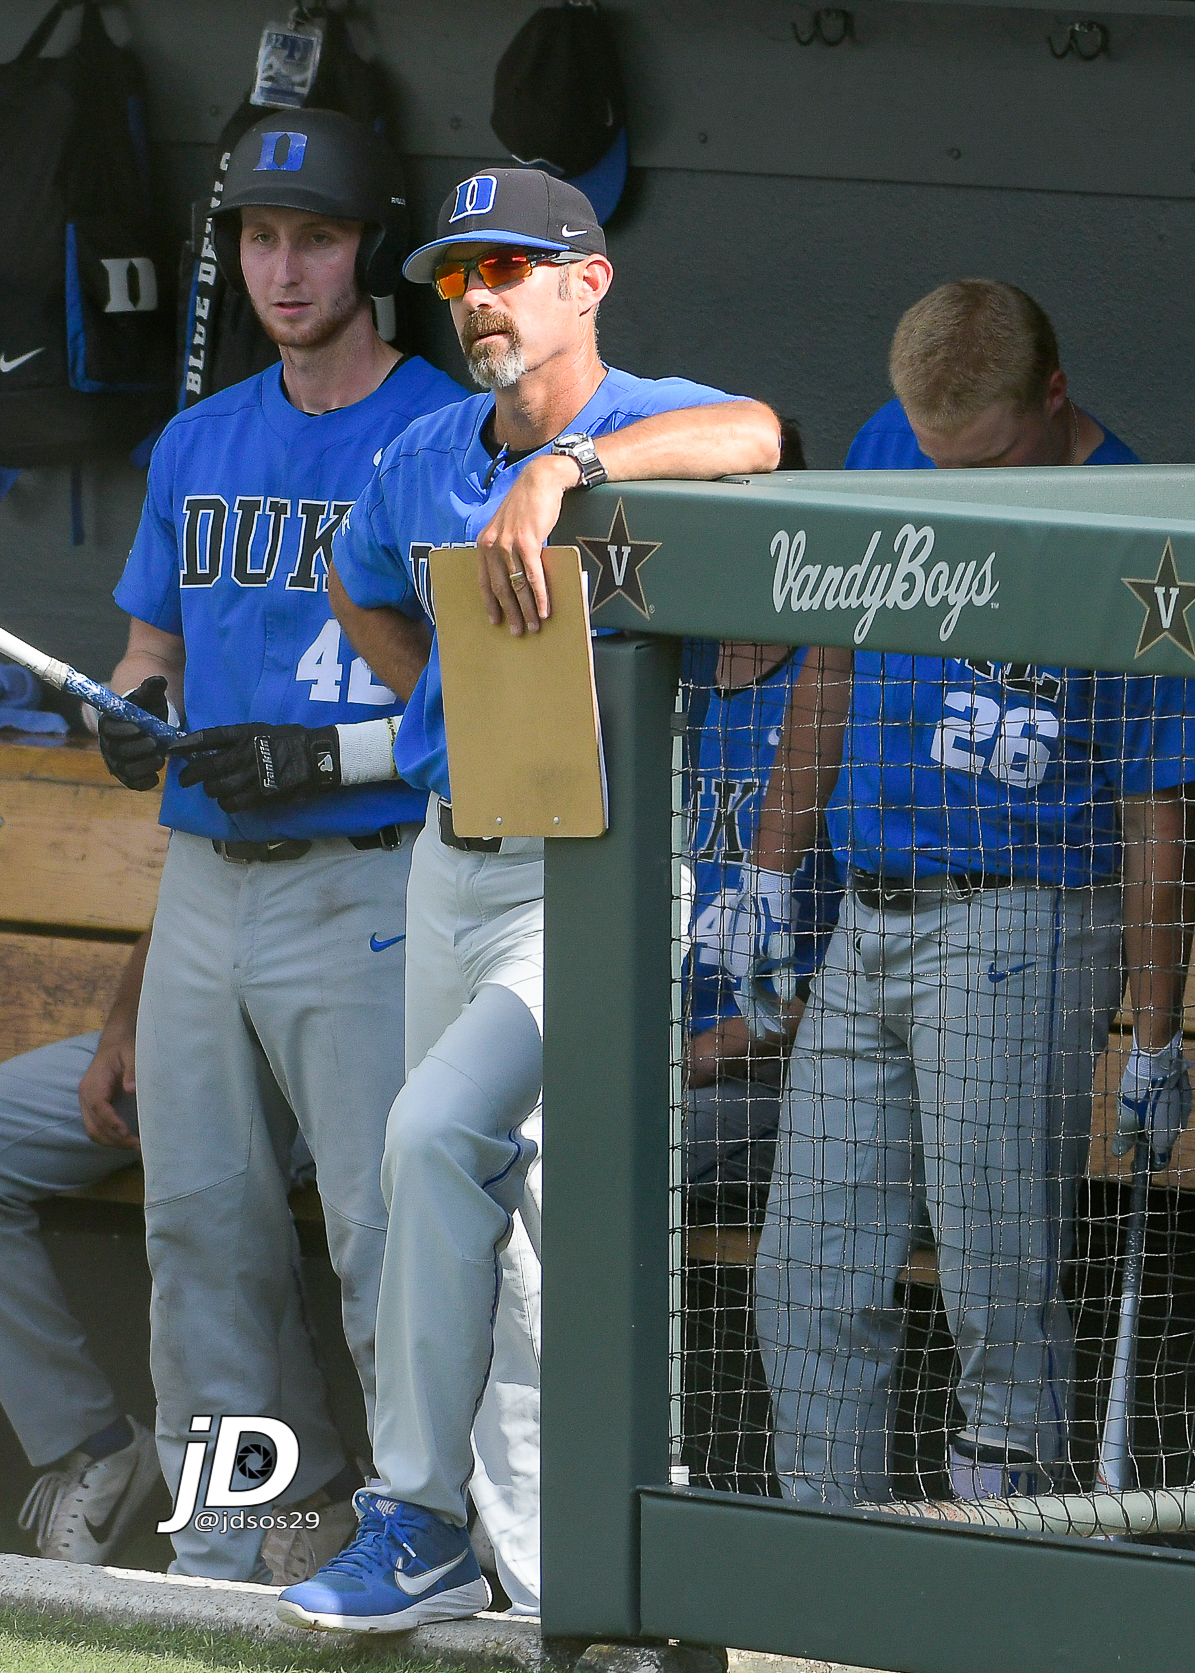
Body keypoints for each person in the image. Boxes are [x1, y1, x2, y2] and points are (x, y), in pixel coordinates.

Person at [274, 166, 781, 1632]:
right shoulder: (427, 447)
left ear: (585, 282)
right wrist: (439, 706)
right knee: (471, 1205)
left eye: (508, 267)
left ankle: (429, 1519)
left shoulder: (641, 414)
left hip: (598, 879)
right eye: (456, 277)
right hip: (451, 856)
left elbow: (758, 434)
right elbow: (353, 575)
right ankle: (528, 1579)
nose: (479, 297)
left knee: (438, 1139)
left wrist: (566, 472)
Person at [741, 278, 1193, 1508]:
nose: (949, 479)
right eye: (933, 453)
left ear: (1052, 393)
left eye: (979, 455)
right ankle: (812, 1576)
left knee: (999, 1280)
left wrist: (1153, 1033)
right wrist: (767, 872)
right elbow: (823, 662)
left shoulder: (1136, 522)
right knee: (807, 1276)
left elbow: (1157, 810)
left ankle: (1000, 1584)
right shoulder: (896, 442)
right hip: (870, 913)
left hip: (1025, 912)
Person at [95, 108, 465, 1582]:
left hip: (365, 876)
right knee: (199, 1236)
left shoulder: (441, 429)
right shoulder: (200, 437)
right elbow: (145, 650)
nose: (284, 267)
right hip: (205, 886)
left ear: (370, 245)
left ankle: (429, 1538)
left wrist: (330, 752)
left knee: (387, 1239)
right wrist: (134, 714)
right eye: (258, 237)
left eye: (313, 236)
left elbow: (481, 703)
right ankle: (236, 1539)